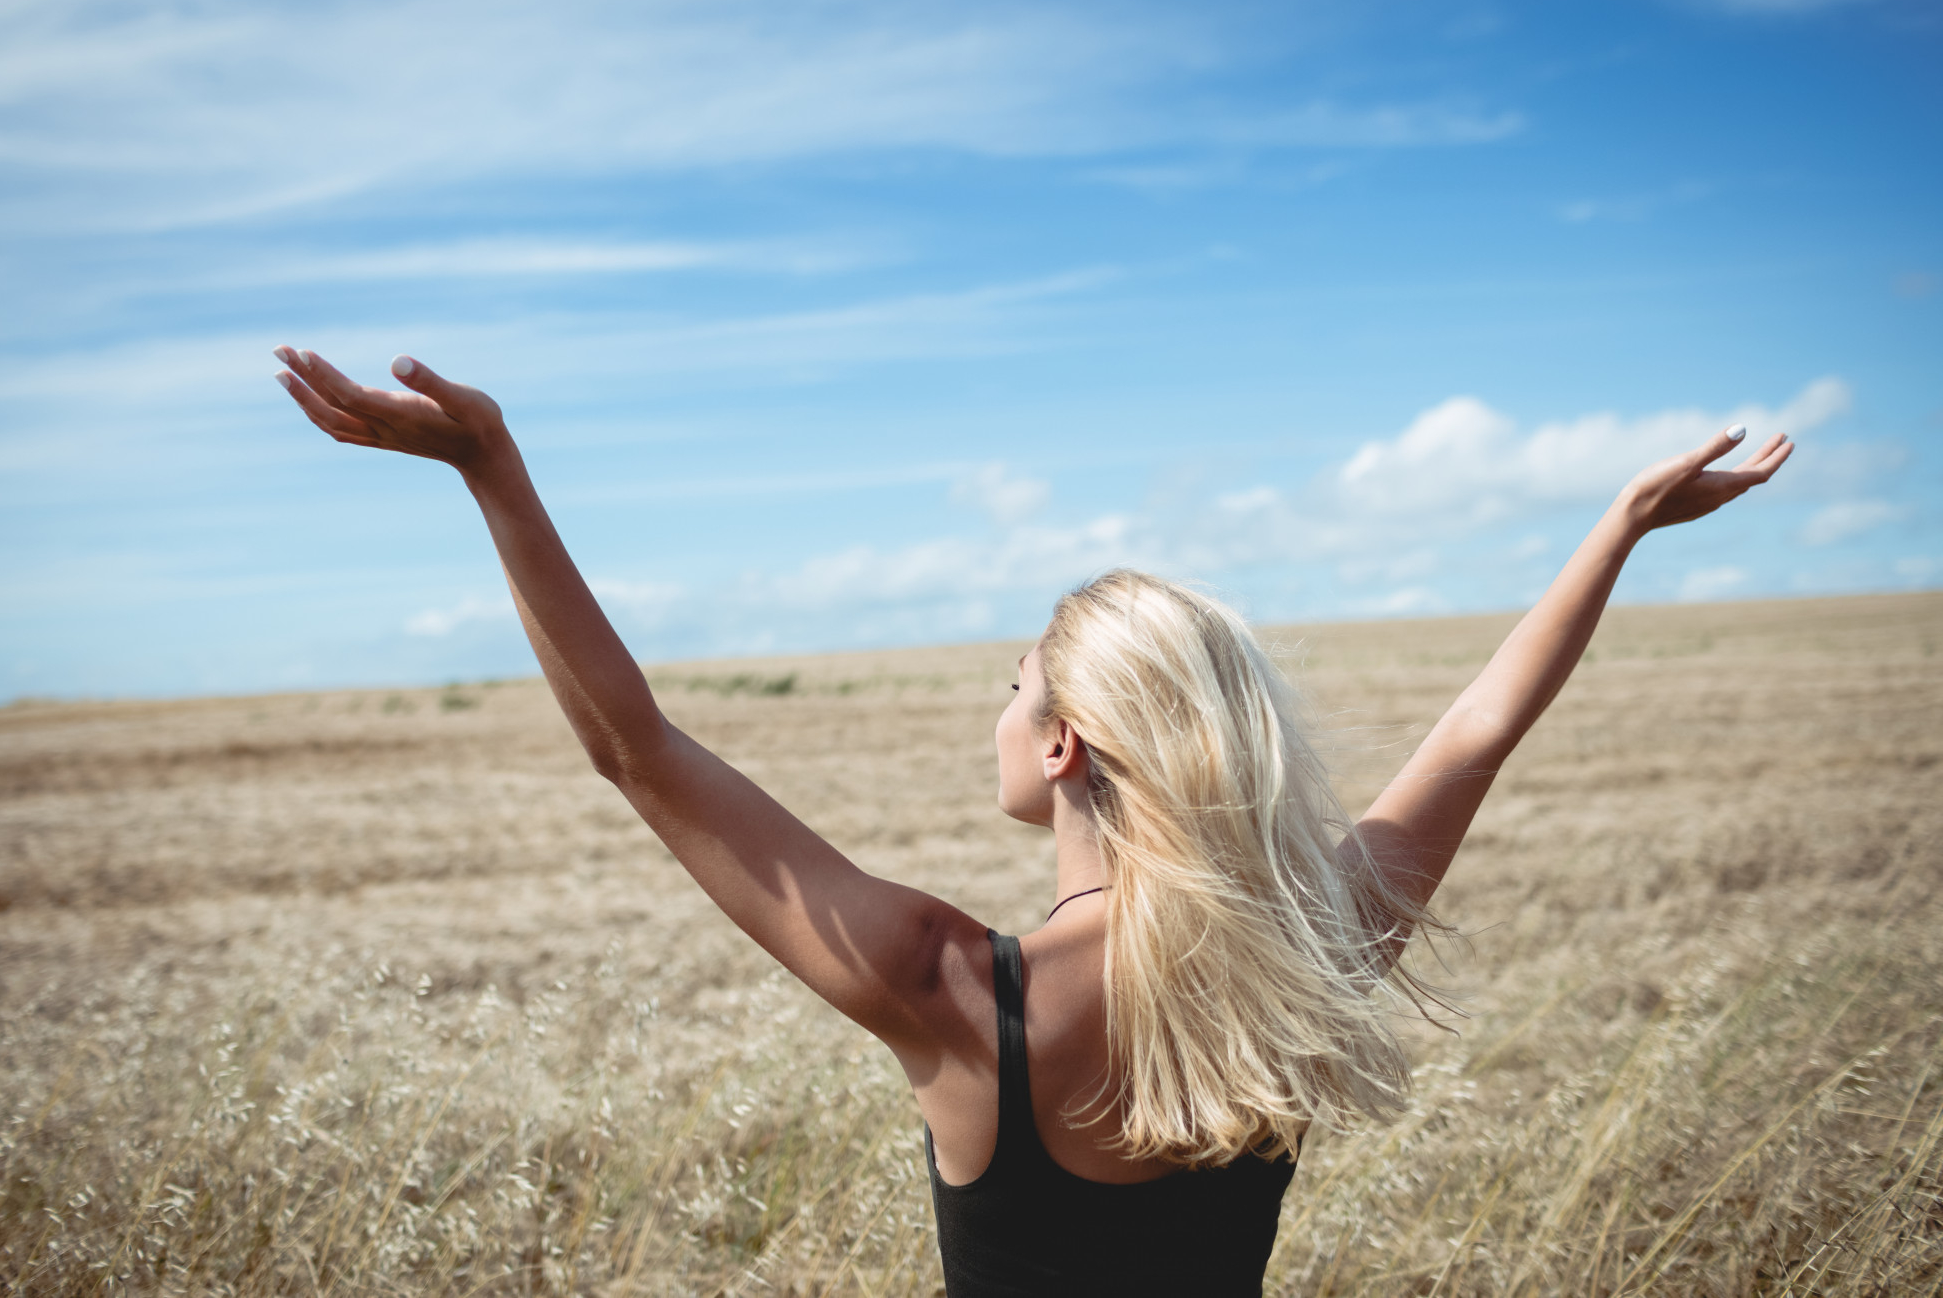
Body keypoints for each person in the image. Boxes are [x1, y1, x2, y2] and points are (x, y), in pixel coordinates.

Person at [273, 346, 1793, 1294]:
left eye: (1012, 690)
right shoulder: (1308, 950)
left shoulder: (953, 989)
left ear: (1063, 742)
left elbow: (636, 750)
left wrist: (492, 469)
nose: (995, 713)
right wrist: (1617, 529)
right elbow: (1479, 731)